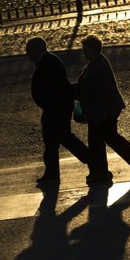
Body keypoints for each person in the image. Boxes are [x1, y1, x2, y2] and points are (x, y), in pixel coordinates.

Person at [76, 35, 130, 185]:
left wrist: (99, 115)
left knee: (98, 141)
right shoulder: (95, 63)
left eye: (85, 50)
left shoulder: (99, 65)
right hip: (103, 110)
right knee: (108, 138)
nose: (83, 52)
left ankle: (101, 172)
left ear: (93, 50)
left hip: (105, 110)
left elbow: (103, 92)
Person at [26, 37, 90, 184]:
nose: (27, 53)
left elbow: (54, 88)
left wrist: (49, 105)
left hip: (56, 109)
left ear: (37, 49)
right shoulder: (46, 60)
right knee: (51, 142)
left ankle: (91, 159)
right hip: (52, 108)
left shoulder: (48, 62)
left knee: (64, 138)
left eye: (29, 49)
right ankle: (52, 173)